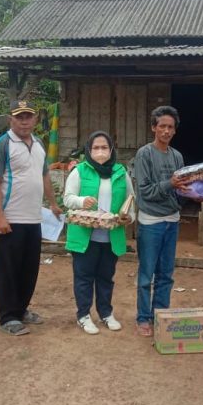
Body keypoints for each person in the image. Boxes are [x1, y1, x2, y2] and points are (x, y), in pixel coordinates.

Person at [0, 100, 62, 336]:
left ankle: (21, 309)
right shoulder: (2, 144)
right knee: (8, 269)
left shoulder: (38, 143)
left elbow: (45, 176)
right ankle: (8, 316)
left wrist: (52, 203)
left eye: (28, 116)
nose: (24, 121)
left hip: (33, 219)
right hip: (9, 218)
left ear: (35, 119)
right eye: (19, 117)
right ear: (11, 119)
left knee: (29, 269)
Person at [63, 131, 135, 335]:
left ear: (111, 150)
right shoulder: (80, 171)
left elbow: (130, 201)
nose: (100, 152)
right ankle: (83, 315)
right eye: (96, 148)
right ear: (88, 150)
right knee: (84, 276)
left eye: (104, 147)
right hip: (85, 236)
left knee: (106, 277)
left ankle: (106, 313)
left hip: (110, 236)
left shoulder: (121, 172)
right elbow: (67, 198)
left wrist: (129, 217)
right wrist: (81, 201)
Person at [133, 106, 189, 337]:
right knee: (147, 274)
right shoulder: (144, 154)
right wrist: (171, 184)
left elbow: (181, 188)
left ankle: (160, 314)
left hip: (172, 220)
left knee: (166, 273)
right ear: (154, 128)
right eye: (162, 126)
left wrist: (194, 189)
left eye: (170, 127)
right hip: (150, 221)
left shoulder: (177, 156)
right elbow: (145, 191)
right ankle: (143, 317)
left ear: (175, 131)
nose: (166, 131)